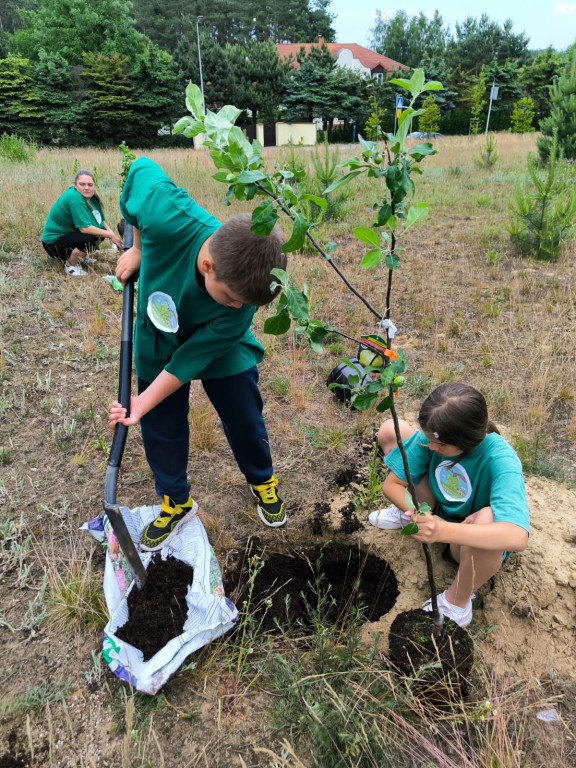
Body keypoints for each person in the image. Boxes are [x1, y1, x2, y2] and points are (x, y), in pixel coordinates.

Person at [108, 157, 287, 551]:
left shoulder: (237, 313)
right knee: (162, 425)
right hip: (160, 333)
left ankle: (262, 479)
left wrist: (140, 400)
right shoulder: (167, 212)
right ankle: (176, 500)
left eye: (246, 304)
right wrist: (138, 248)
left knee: (243, 414)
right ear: (208, 265)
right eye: (232, 298)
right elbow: (140, 172)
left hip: (218, 344)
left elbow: (190, 362)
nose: (239, 308)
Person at [368, 382, 529, 627]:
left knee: (489, 517)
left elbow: (517, 537)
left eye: (440, 446)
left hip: (467, 541)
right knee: (392, 430)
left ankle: (457, 601)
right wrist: (418, 515)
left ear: (467, 441)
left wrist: (444, 530)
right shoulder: (434, 437)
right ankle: (408, 515)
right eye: (430, 439)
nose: (432, 447)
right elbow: (391, 486)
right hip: (436, 512)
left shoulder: (501, 460)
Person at [42, 170, 123, 276]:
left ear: (94, 185)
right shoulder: (75, 198)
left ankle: (81, 257)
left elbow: (100, 220)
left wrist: (110, 232)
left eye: (90, 185)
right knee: (88, 240)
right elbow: (84, 229)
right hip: (53, 243)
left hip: (68, 236)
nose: (86, 187)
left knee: (100, 234)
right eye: (82, 184)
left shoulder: (91, 197)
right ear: (75, 185)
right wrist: (110, 235)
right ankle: (70, 265)